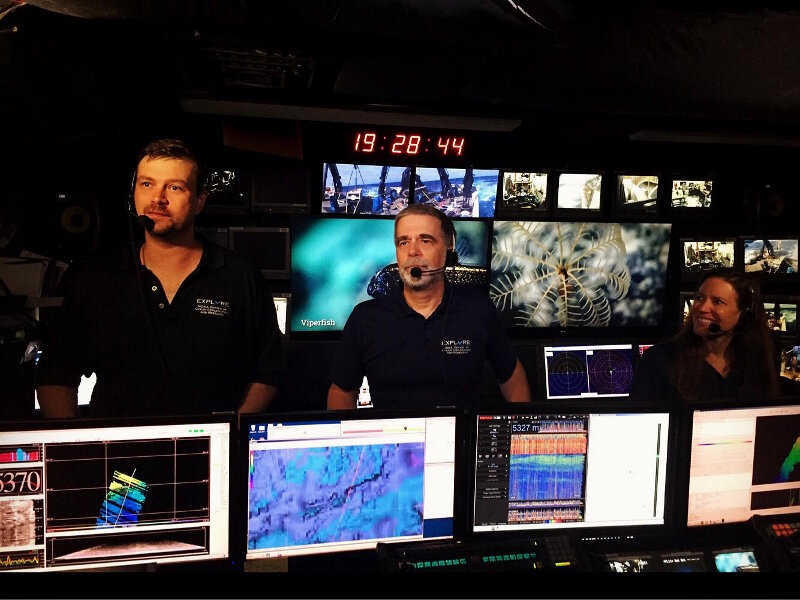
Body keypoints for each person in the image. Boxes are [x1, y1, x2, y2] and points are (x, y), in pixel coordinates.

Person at [36, 138, 284, 418]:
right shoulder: (96, 279)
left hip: (213, 453)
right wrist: (77, 449)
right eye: (147, 184)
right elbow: (55, 374)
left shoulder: (239, 276)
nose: (158, 199)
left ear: (200, 201)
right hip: (117, 456)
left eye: (174, 187)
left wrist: (230, 435)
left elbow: (268, 371)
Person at [327, 203, 531, 410]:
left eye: (425, 240)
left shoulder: (478, 310)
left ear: (448, 249)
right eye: (403, 242)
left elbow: (513, 378)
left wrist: (519, 430)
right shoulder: (365, 318)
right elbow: (341, 391)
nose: (413, 251)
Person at [630, 267, 780, 405]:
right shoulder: (659, 361)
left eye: (717, 302)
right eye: (700, 298)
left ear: (744, 315)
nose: (702, 308)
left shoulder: (758, 362)